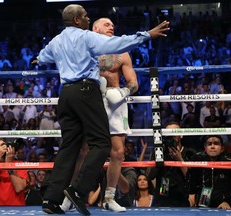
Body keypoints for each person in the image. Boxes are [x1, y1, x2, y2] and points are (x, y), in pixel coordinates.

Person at [35, 4, 169, 215]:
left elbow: (43, 57)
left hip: (66, 94)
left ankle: (50, 199)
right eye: (86, 16)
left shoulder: (57, 40)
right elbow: (118, 43)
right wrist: (147, 35)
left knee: (69, 147)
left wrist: (38, 59)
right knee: (101, 143)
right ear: (77, 20)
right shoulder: (86, 36)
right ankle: (78, 191)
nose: (88, 18)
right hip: (87, 92)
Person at [91, 17, 139, 212]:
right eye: (106, 24)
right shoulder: (85, 49)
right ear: (95, 28)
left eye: (112, 25)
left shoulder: (121, 52)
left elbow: (133, 82)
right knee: (83, 150)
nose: (111, 27)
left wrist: (123, 92)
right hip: (91, 100)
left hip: (115, 101)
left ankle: (109, 197)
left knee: (118, 151)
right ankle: (72, 194)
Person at [147, 121, 197, 207]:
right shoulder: (158, 152)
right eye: (168, 133)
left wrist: (180, 160)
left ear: (181, 135)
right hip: (161, 200)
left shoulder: (190, 152)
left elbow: (192, 179)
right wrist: (159, 156)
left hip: (181, 199)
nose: (171, 135)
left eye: (174, 132)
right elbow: (150, 175)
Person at [189, 135, 231, 209]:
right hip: (202, 205)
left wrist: (228, 202)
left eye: (216, 143)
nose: (212, 146)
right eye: (209, 144)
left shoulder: (228, 164)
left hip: (223, 206)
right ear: (205, 148)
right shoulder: (198, 162)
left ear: (222, 148)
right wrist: (191, 193)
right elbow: (192, 181)